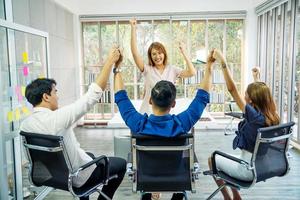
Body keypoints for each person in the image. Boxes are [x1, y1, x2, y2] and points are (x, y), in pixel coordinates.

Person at [20, 47, 126, 200]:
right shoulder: (58, 119)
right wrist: (110, 61)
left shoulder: (25, 125)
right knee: (120, 164)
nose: (58, 95)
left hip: (53, 176)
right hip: (76, 178)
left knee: (89, 155)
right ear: (46, 97)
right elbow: (93, 95)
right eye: (55, 92)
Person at [113, 49, 215, 200]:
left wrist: (117, 67)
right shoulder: (182, 124)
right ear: (173, 104)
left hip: (147, 177)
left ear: (150, 101)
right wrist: (209, 67)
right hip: (177, 176)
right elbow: (202, 97)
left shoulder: (138, 124)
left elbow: (120, 97)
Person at [208, 50, 280, 200]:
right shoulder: (272, 116)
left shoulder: (254, 117)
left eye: (246, 93)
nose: (244, 95)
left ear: (252, 100)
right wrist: (256, 78)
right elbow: (262, 94)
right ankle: (236, 196)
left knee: (211, 159)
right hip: (261, 166)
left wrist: (223, 62)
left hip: (247, 169)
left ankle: (228, 197)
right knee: (226, 160)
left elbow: (232, 89)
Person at [130, 18, 196, 114]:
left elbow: (192, 72)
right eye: (154, 54)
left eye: (160, 53)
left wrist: (184, 53)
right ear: (150, 56)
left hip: (167, 114)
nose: (157, 56)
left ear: (164, 54)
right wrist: (133, 28)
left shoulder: (172, 69)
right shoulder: (147, 69)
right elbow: (135, 53)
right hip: (149, 113)